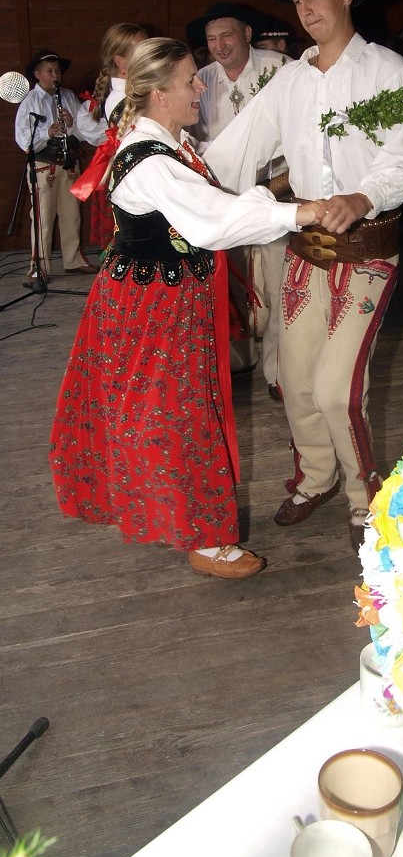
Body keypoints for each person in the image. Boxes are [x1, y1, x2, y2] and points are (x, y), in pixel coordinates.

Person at [49, 37, 320, 579]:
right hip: (152, 304)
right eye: (191, 80)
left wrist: (268, 188)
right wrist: (300, 212)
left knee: (168, 409)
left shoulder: (171, 143)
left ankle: (177, 514)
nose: (201, 86)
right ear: (156, 94)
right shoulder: (149, 160)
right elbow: (211, 221)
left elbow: (214, 193)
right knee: (174, 412)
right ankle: (202, 535)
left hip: (163, 297)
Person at [203, 0, 403, 552]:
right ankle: (316, 476)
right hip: (306, 254)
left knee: (338, 388)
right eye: (298, 0)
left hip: (366, 254)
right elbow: (238, 149)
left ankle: (366, 498)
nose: (306, 9)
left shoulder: (390, 72)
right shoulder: (289, 81)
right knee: (296, 379)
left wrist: (363, 197)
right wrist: (177, 176)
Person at [187, 1, 289, 387]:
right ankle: (238, 358)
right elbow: (193, 138)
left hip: (276, 195)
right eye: (211, 39)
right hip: (224, 200)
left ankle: (278, 372)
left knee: (278, 284)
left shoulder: (281, 71)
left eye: (227, 35)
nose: (219, 45)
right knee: (228, 284)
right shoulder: (201, 78)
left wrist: (273, 186)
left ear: (247, 34)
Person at [14, 48, 97, 283]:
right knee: (43, 217)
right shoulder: (31, 101)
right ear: (37, 74)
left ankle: (73, 260)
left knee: (72, 214)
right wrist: (47, 131)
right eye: (49, 71)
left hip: (69, 163)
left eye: (57, 71)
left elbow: (84, 132)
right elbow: (23, 139)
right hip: (44, 165)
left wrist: (72, 124)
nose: (55, 75)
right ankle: (38, 267)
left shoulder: (68, 96)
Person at [75, 23, 148, 250]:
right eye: (141, 49)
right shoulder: (121, 98)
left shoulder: (135, 91)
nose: (148, 54)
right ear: (121, 61)